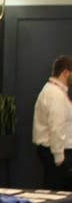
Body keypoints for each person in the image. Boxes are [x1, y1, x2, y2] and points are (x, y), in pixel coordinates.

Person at [31, 55, 72, 190]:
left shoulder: (56, 92)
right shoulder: (55, 94)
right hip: (56, 153)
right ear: (65, 73)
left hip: (56, 151)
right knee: (56, 192)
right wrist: (60, 158)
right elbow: (56, 127)